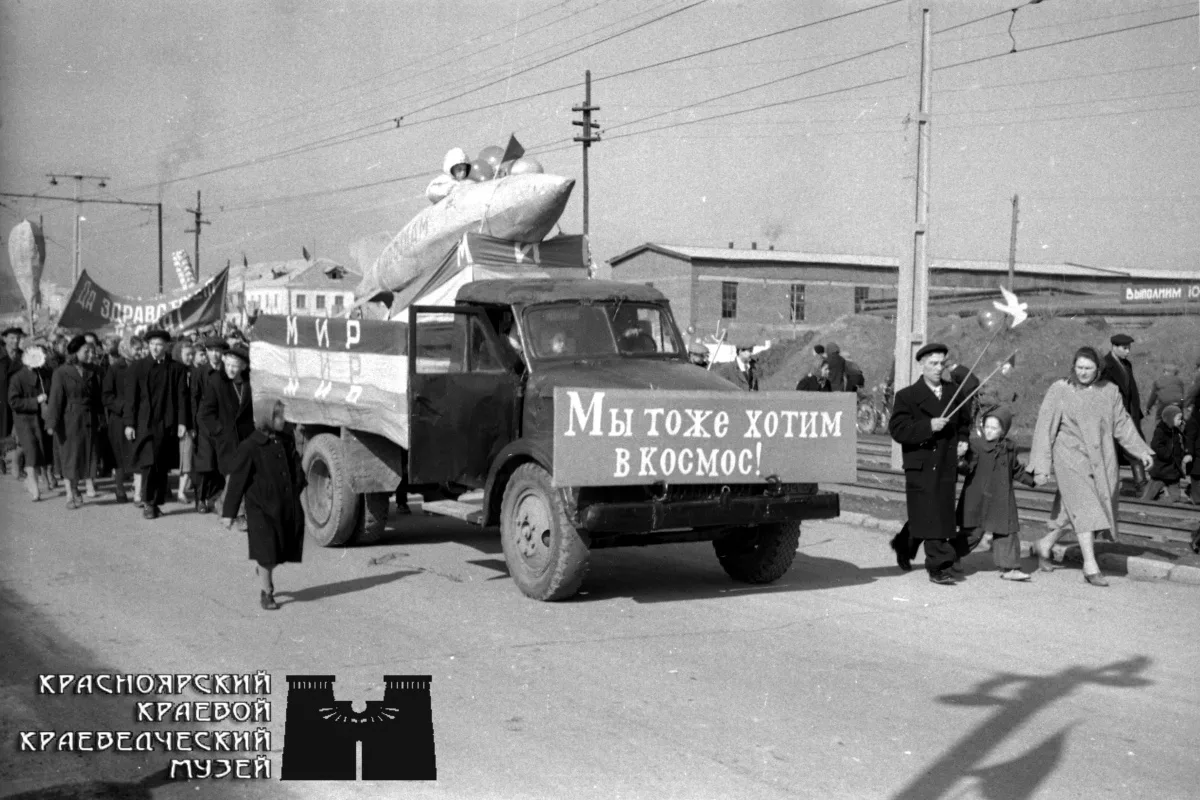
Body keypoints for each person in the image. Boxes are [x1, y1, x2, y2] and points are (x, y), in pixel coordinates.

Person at [1029, 346, 1154, 587]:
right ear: (1073, 367)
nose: (1083, 372)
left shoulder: (1109, 391)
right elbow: (1045, 427)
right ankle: (1090, 565)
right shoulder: (1060, 390)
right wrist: (1041, 466)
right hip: (1069, 457)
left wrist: (1141, 451)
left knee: (1078, 510)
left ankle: (1044, 544)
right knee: (1086, 508)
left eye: (1088, 368)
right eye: (1079, 368)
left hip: (1101, 459)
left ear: (1098, 369)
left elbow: (1122, 424)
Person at [887, 342, 972, 585]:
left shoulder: (954, 393)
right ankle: (938, 566)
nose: (938, 368)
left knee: (933, 513)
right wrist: (928, 426)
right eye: (933, 364)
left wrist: (963, 442)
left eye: (941, 364)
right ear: (921, 365)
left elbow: (964, 423)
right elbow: (897, 429)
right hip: (921, 465)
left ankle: (903, 544)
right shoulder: (907, 396)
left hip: (946, 463)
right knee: (931, 513)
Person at [222, 399, 306, 611]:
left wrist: (298, 485)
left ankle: (263, 569)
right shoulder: (250, 446)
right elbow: (237, 480)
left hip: (284, 505)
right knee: (267, 551)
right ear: (267, 419)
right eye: (278, 416)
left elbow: (296, 465)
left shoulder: (285, 440)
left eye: (282, 415)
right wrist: (229, 513)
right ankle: (266, 592)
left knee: (280, 550)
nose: (282, 419)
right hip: (261, 508)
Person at [955, 406, 1036, 581]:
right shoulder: (975, 445)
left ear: (1003, 430)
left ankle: (1010, 569)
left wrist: (1033, 480)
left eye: (994, 428)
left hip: (1001, 498)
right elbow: (967, 469)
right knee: (972, 533)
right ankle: (949, 557)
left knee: (1007, 531)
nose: (989, 431)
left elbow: (1016, 470)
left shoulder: (1009, 448)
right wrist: (960, 461)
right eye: (987, 427)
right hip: (977, 498)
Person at [124, 329, 190, 520]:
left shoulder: (175, 368)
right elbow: (131, 398)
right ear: (148, 345)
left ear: (166, 346)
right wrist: (129, 423)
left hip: (166, 423)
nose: (155, 347)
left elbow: (181, 398)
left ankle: (156, 502)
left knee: (162, 465)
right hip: (145, 423)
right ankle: (148, 502)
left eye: (159, 344)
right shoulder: (138, 367)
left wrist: (182, 422)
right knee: (149, 463)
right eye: (152, 344)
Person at [46, 335, 103, 509]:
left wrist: (101, 419)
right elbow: (55, 399)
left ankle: (76, 488)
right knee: (70, 456)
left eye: (92, 351)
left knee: (84, 457)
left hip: (88, 419)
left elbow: (97, 399)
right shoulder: (61, 372)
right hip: (68, 421)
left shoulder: (93, 371)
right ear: (75, 352)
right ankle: (70, 494)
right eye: (86, 351)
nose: (91, 354)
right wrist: (51, 423)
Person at [199, 344, 254, 480]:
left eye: (234, 366)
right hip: (227, 441)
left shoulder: (250, 383)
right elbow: (205, 413)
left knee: (248, 480)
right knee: (231, 482)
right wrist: (219, 431)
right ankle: (224, 502)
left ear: (243, 366)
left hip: (247, 439)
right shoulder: (217, 382)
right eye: (228, 364)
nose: (230, 369)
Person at [1100, 333, 1147, 491]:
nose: (1128, 351)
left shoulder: (1127, 365)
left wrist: (1136, 414)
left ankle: (1142, 485)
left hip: (1128, 416)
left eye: (1129, 348)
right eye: (1124, 348)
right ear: (1114, 347)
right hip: (1112, 416)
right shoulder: (1105, 365)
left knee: (1133, 450)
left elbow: (1131, 391)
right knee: (1112, 453)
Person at [7, 343, 53, 500]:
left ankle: (41, 478)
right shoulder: (17, 378)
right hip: (24, 420)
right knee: (31, 450)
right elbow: (13, 402)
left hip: (42, 419)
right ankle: (33, 482)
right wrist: (35, 401)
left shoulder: (46, 374)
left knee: (44, 450)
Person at [100, 338, 138, 503]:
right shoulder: (115, 369)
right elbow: (107, 396)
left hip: (138, 417)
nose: (139, 352)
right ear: (125, 349)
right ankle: (120, 488)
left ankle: (138, 489)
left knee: (137, 453)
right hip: (120, 419)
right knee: (120, 456)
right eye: (135, 348)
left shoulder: (141, 367)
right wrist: (123, 406)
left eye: (140, 348)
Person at [192, 337, 227, 512]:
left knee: (220, 461)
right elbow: (194, 399)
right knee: (205, 463)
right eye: (211, 350)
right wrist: (192, 425)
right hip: (204, 423)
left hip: (222, 423)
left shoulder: (227, 372)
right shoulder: (200, 372)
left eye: (218, 351)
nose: (215, 354)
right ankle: (200, 498)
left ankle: (217, 497)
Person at [1140, 405, 1186, 503]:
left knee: (1176, 498)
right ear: (1170, 419)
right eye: (1179, 418)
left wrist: (1181, 455)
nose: (1181, 421)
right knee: (1148, 496)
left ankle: (1164, 505)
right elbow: (1156, 445)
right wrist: (1168, 455)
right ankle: (1142, 508)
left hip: (1173, 471)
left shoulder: (1176, 432)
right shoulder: (1161, 431)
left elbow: (1179, 447)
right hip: (1161, 470)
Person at [0, 326, 24, 476]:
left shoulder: (23, 356)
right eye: (12, 338)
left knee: (18, 432)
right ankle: (1, 459)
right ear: (4, 339)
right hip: (0, 400)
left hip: (16, 399)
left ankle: (18, 465)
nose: (15, 341)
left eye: (17, 338)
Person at [1184, 400, 1200, 506]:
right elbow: (1189, 438)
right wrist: (1189, 453)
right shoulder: (1193, 421)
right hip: (1196, 457)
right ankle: (1195, 498)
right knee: (1196, 479)